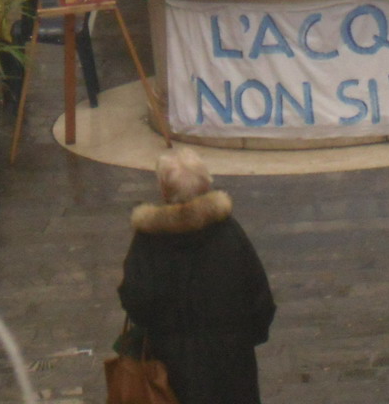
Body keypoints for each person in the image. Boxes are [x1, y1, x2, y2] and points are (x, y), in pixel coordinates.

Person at [118, 149, 276, 404]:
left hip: (169, 366)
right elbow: (259, 298)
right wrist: (244, 341)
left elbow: (136, 299)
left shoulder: (148, 241)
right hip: (231, 366)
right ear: (206, 185)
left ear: (164, 190)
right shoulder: (229, 234)